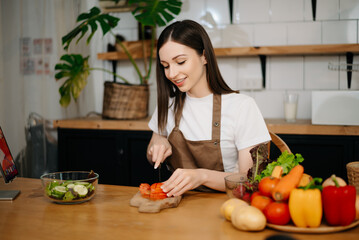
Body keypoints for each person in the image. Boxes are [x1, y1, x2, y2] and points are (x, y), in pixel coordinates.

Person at [146, 20, 270, 197]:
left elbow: (251, 181)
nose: (171, 74)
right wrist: (157, 145)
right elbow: (152, 154)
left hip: (228, 208)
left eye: (180, 62)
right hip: (179, 208)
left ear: (204, 56)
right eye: (165, 66)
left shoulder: (242, 106)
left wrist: (201, 176)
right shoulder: (168, 105)